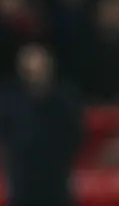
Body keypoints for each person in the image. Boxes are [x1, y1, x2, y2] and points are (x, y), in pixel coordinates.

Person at [0, 43, 83, 206]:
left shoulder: (65, 100)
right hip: (22, 186)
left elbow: (75, 136)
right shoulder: (9, 101)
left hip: (57, 185)